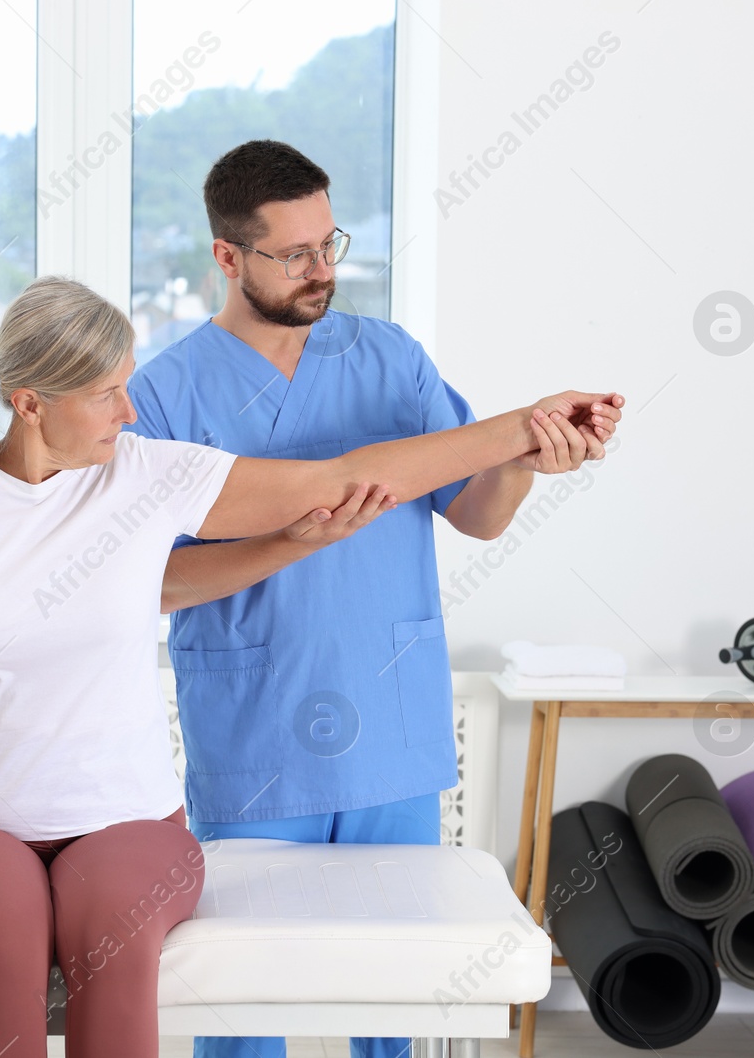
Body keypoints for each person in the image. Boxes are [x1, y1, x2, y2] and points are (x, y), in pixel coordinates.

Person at [0, 273, 614, 1058]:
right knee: (3, 940)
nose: (130, 408)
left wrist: (524, 429)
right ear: (30, 403)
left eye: (127, 385)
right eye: (107, 392)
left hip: (126, 822)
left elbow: (337, 480)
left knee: (114, 943)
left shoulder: (147, 472)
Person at [124, 139, 623, 1058]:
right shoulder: (162, 393)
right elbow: (144, 581)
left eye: (331, 242)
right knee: (244, 999)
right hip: (256, 730)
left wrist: (526, 463)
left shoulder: (390, 358)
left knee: (393, 992)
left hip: (391, 726)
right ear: (228, 259)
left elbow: (474, 514)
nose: (324, 271)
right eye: (295, 254)